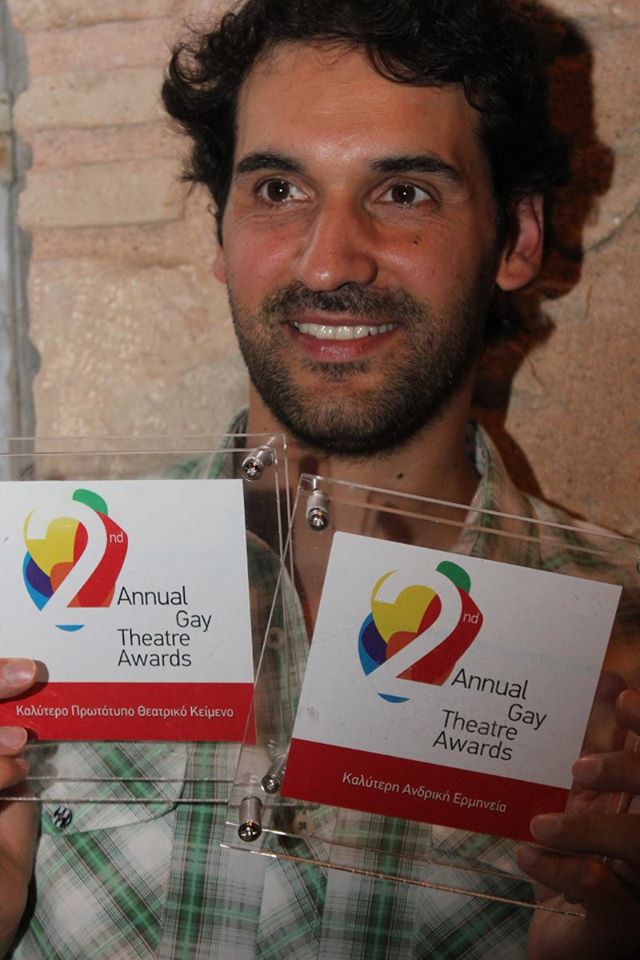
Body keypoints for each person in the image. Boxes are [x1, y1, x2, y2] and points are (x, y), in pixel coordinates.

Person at [0, 0, 639, 956]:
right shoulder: (16, 613)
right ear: (220, 236)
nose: (331, 261)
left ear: (516, 239)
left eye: (404, 192)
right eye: (278, 189)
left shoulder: (624, 655)